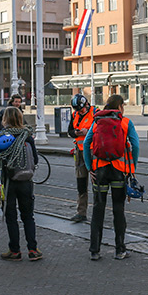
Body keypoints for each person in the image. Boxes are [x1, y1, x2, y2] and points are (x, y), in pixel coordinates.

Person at [84, 94, 140, 261]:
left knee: (97, 210)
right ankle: (120, 250)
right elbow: (135, 145)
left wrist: (89, 167)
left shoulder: (97, 121)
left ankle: (95, 250)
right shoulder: (125, 122)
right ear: (120, 106)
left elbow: (87, 143)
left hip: (100, 170)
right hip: (118, 170)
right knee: (118, 210)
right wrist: (132, 168)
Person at [0, 106, 42, 261]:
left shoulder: (3, 136)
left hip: (9, 182)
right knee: (28, 216)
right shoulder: (27, 136)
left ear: (5, 119)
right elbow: (35, 160)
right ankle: (33, 249)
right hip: (26, 181)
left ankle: (15, 250)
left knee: (11, 217)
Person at [68, 94, 96, 222]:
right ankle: (81, 212)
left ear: (86, 104)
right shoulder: (75, 115)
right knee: (81, 183)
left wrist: (89, 131)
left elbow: (101, 129)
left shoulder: (95, 113)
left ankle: (98, 212)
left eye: (81, 109)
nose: (80, 112)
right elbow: (70, 131)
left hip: (93, 152)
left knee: (97, 182)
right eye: (77, 110)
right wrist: (77, 133)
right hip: (79, 153)